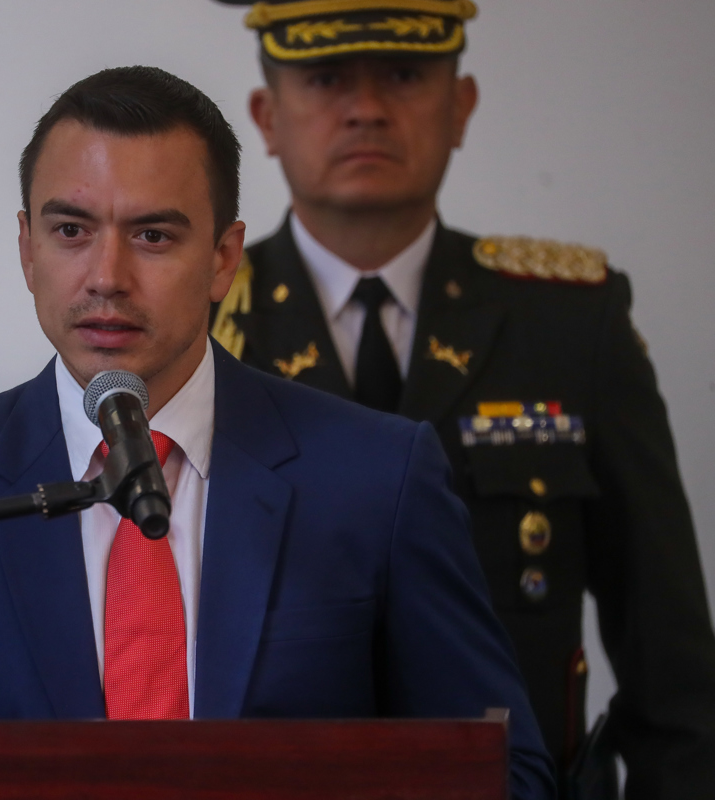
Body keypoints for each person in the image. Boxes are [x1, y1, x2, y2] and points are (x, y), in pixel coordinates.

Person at [0, 65, 554, 798]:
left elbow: (504, 775)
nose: (106, 276)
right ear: (28, 249)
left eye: (153, 236)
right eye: (71, 230)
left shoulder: (377, 478)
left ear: (223, 259)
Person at [209, 2, 715, 796]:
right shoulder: (200, 327)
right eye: (327, 78)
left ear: (462, 106)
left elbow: (673, 669)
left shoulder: (573, 324)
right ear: (267, 118)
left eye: (406, 75)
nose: (367, 108)